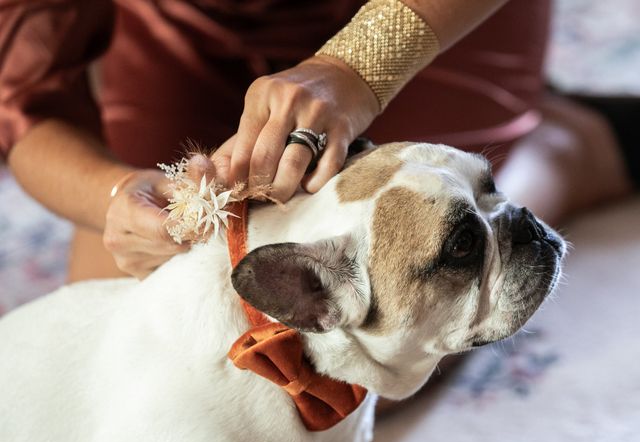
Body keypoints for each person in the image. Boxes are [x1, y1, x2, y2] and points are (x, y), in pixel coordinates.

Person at [0, 0, 635, 281]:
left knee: (367, 343)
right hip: (186, 22)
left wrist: (360, 65)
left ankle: (562, 147)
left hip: (415, 11)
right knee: (126, 327)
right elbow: (24, 95)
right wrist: (112, 195)